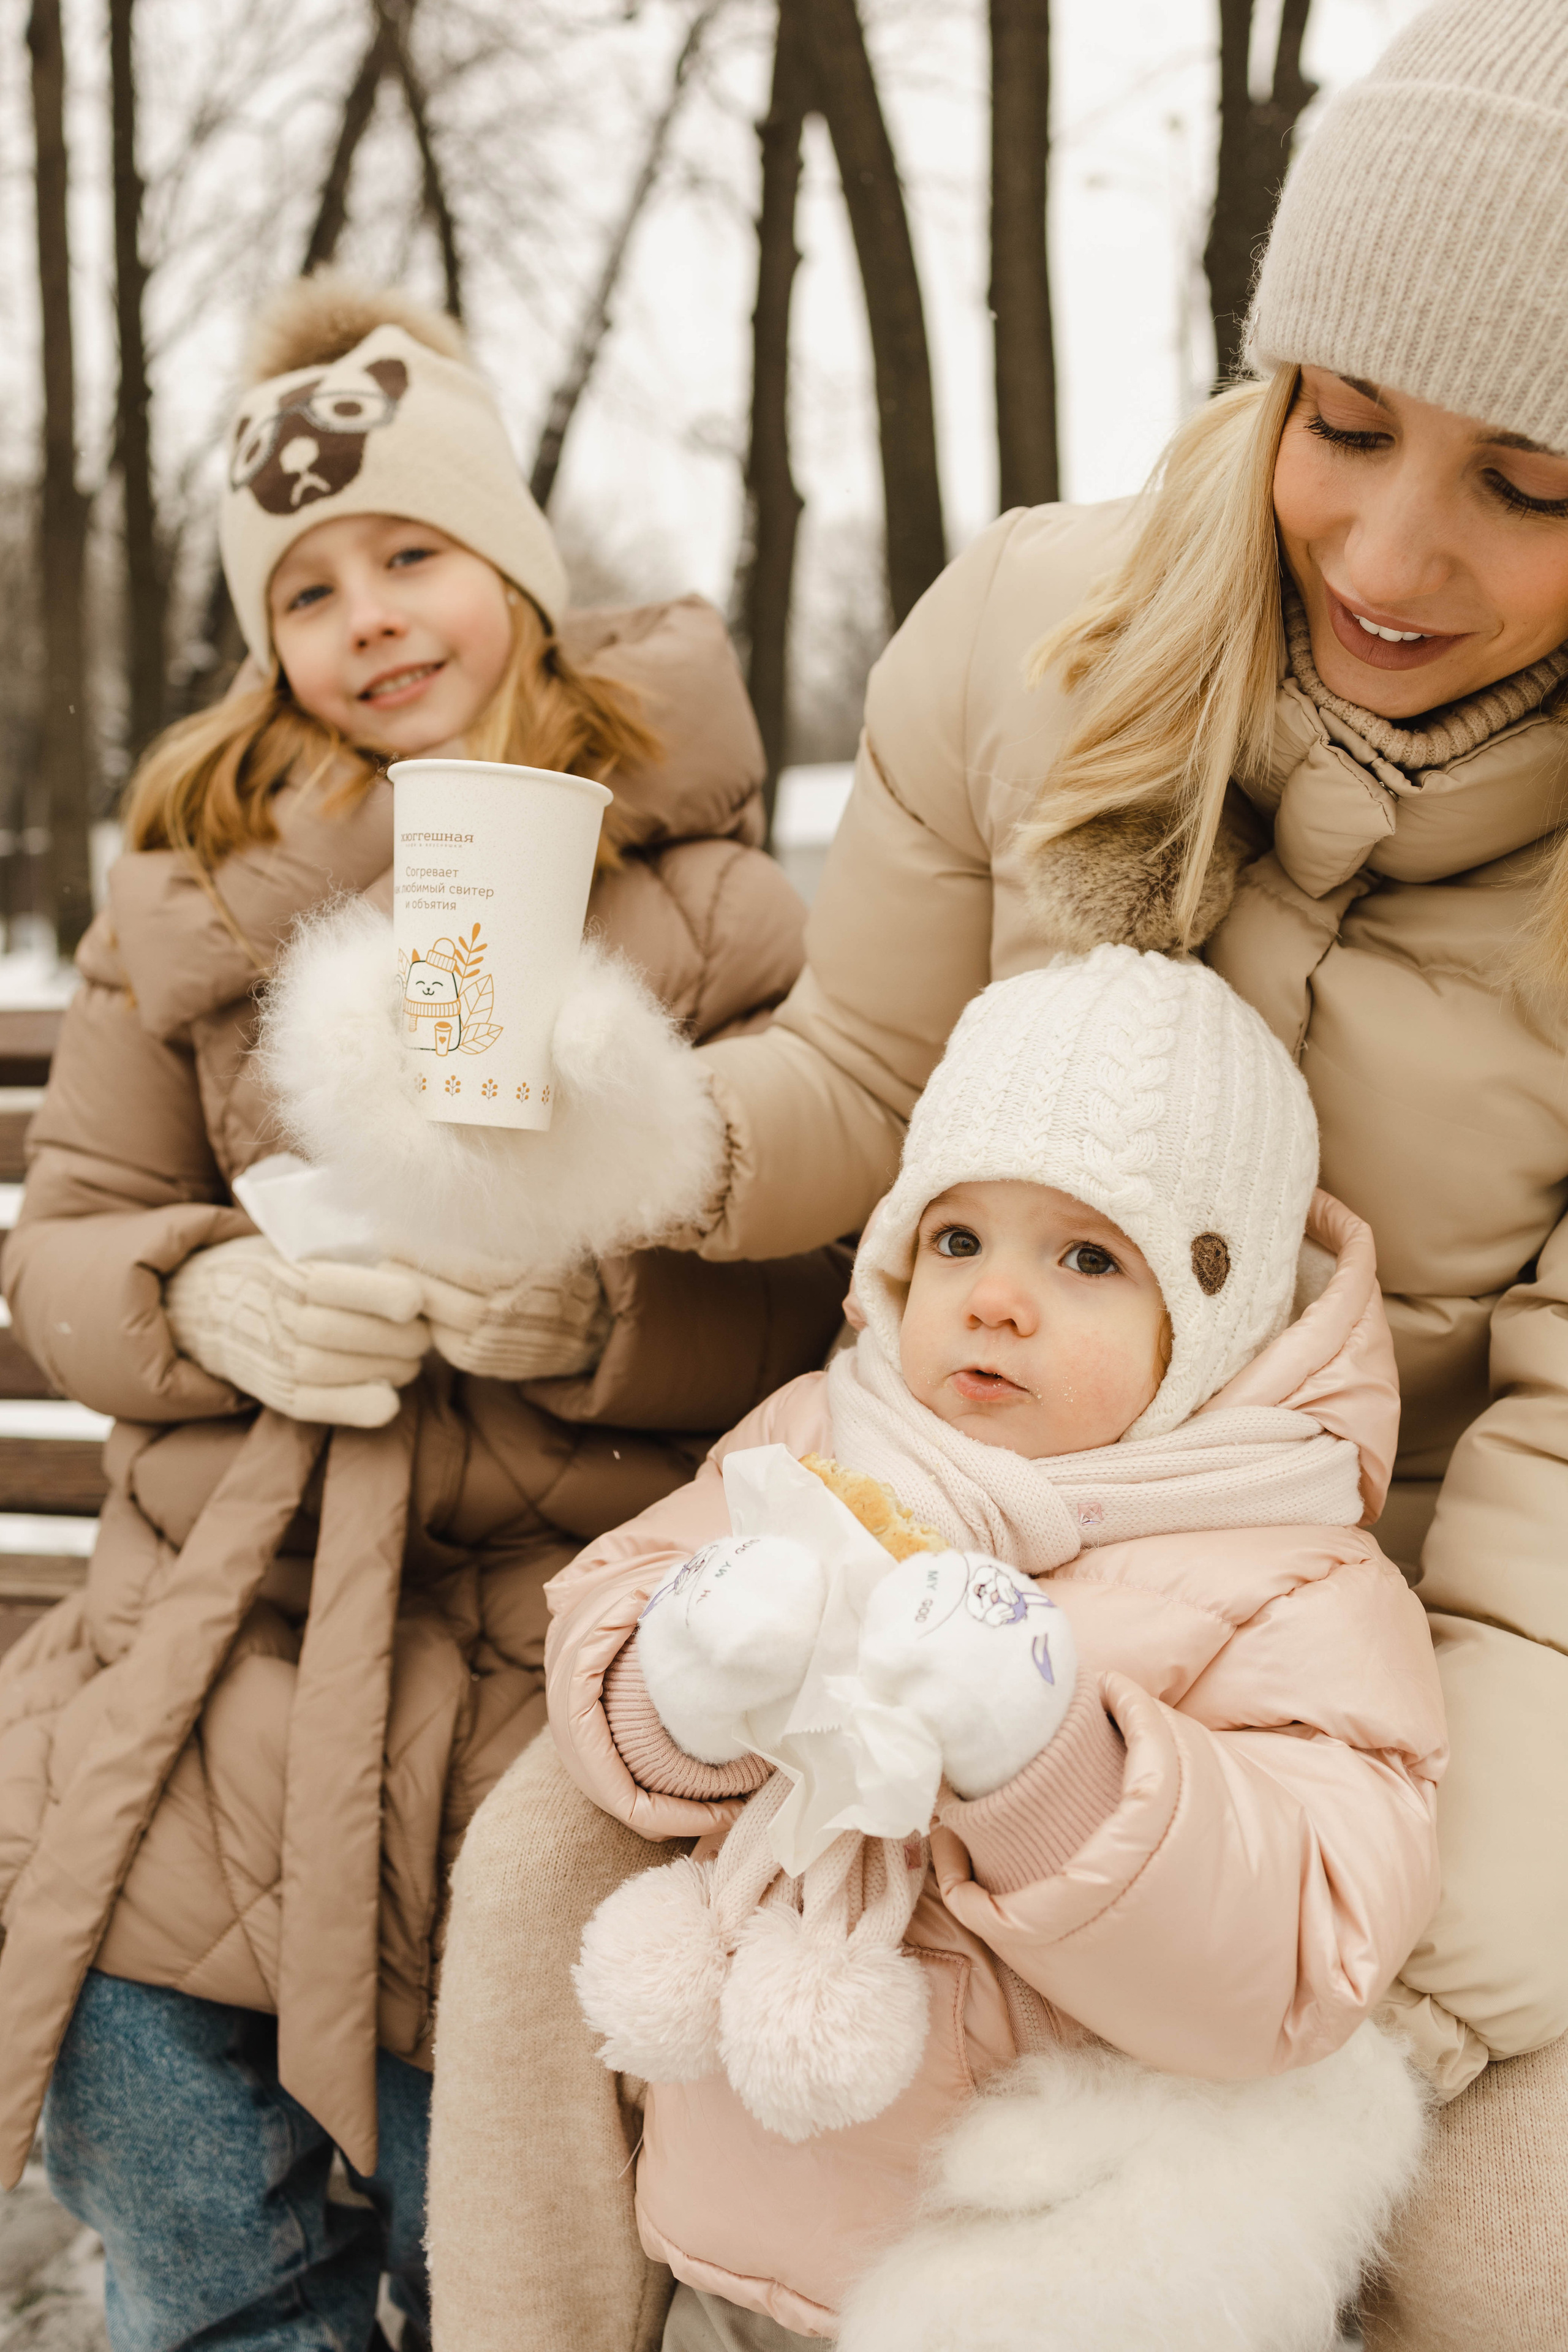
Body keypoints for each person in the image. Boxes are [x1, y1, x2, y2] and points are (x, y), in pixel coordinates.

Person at [432, 5, 1568, 2346]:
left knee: (1487, 2230)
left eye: (1532, 482)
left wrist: (1369, 1997)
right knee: (545, 1856)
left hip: (1412, 1642)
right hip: (974, 1516)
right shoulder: (1041, 637)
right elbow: (873, 1073)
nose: (1391, 545)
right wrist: (615, 1140)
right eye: (1340, 424)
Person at [0, 274, 846, 2352]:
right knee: (194, 2230)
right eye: (306, 587)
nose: (368, 614)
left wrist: (597, 1321)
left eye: (413, 552)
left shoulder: (718, 903)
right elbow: (72, 1237)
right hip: (219, 1664)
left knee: (521, 2279)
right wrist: (206, 1297)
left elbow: (830, 1305)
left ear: (519, 570)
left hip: (562, 1686)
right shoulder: (188, 889)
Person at [548, 946, 1444, 2351]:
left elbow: (1296, 1952)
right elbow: (609, 1633)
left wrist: (1046, 1770)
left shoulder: (1295, 1578)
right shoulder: (821, 1437)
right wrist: (675, 1684)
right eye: (957, 1240)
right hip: (731, 2224)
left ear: (1211, 1318)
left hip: (1033, 2279)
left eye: (1085, 1256)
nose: (992, 1299)